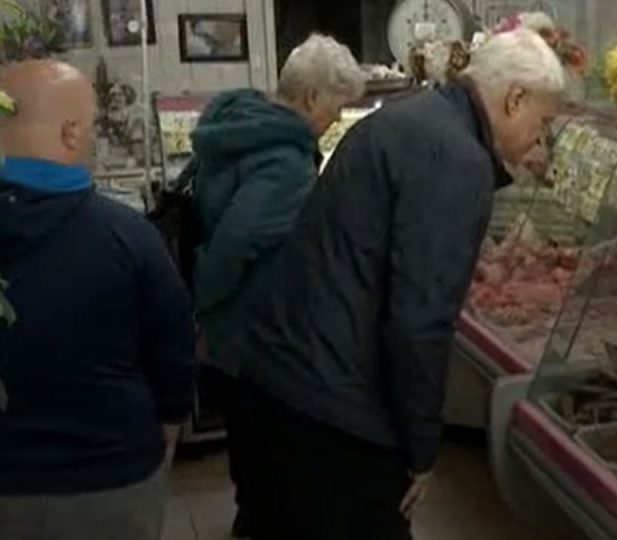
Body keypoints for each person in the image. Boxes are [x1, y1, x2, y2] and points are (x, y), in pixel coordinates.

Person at [231, 28, 565, 539]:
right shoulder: (457, 159)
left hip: (281, 385)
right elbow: (418, 323)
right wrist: (420, 447)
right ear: (514, 98)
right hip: (332, 418)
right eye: (542, 123)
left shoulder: (415, 118)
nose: (538, 141)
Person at [0, 60, 196, 540]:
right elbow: (172, 354)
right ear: (70, 133)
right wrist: (168, 426)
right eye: (90, 128)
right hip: (110, 479)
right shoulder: (128, 236)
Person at [183, 33, 366, 538]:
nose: (335, 120)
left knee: (247, 443)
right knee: (270, 452)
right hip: (258, 327)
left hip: (233, 326)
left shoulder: (240, 125)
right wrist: (202, 312)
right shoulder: (285, 162)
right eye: (335, 106)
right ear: (310, 96)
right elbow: (235, 244)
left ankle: (252, 517)